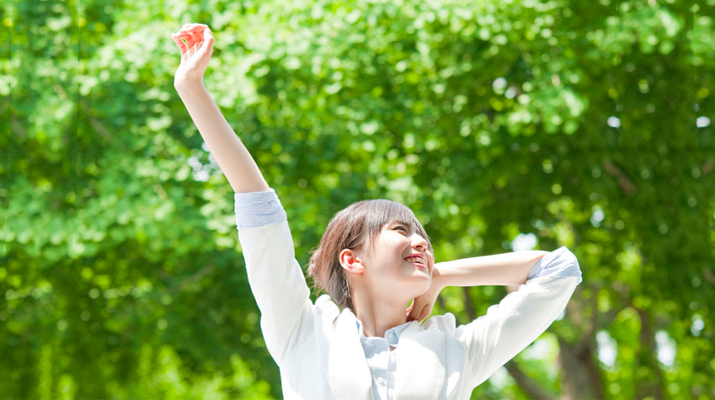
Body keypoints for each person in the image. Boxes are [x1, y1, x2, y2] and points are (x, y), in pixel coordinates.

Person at [171, 23, 583, 400]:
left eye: (424, 237)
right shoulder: (303, 332)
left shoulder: (457, 348)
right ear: (351, 259)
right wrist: (193, 89)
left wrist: (440, 277)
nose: (420, 241)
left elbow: (559, 270)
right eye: (401, 230)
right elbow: (259, 209)